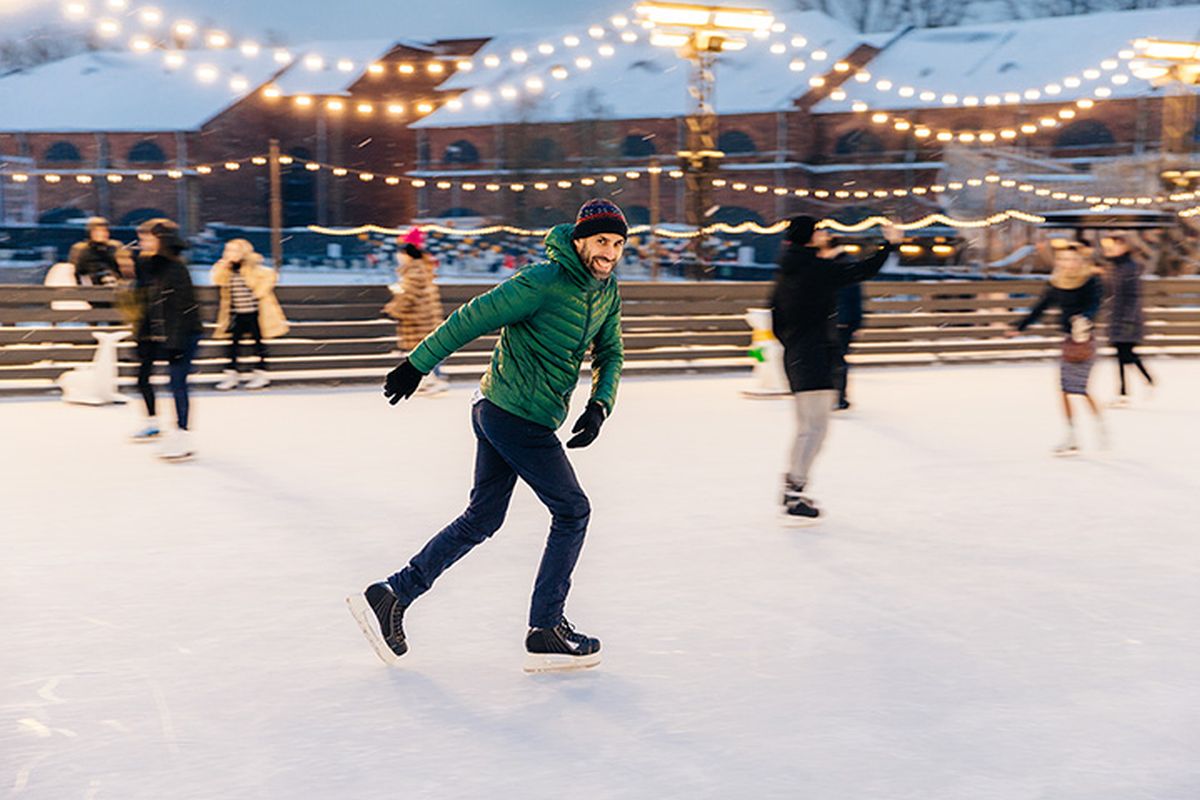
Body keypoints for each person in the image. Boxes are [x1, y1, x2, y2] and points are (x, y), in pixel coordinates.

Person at [347, 199, 626, 673]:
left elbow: (611, 351)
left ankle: (394, 594)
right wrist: (417, 364)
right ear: (579, 240)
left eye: (618, 244)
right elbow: (472, 317)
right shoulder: (542, 281)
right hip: (513, 414)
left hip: (509, 413)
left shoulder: (605, 291)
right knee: (573, 510)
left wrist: (600, 404)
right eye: (602, 241)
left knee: (483, 518)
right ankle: (545, 627)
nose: (610, 252)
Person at [769, 217, 901, 523]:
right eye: (819, 230)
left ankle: (794, 486)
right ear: (807, 236)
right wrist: (891, 244)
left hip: (798, 355)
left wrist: (794, 343)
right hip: (814, 355)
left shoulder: (787, 270)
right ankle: (794, 491)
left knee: (807, 428)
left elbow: (775, 317)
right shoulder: (815, 270)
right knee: (815, 429)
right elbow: (861, 270)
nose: (824, 233)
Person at [1007, 242, 1106, 456]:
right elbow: (1040, 307)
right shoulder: (1056, 283)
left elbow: (1095, 304)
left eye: (1072, 260)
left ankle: (1099, 426)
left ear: (1080, 261)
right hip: (1068, 341)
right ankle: (1071, 436)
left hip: (1085, 340)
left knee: (1080, 389)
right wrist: (1020, 326)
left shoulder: (1091, 280)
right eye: (1063, 260)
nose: (1068, 264)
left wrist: (1085, 319)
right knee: (1064, 390)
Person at [129, 218, 203, 461]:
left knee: (177, 384)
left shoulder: (176, 269)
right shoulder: (151, 267)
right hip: (160, 335)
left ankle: (183, 437)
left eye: (147, 238)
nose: (142, 243)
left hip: (182, 335)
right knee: (145, 378)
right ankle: (157, 425)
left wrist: (176, 345)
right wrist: (142, 337)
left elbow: (183, 309)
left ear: (161, 240)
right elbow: (146, 303)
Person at [211, 239, 289, 391]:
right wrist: (222, 266)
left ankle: (260, 373)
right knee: (232, 346)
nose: (229, 254)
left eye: (234, 251)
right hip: (236, 314)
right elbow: (217, 280)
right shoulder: (227, 269)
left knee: (258, 345)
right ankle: (231, 374)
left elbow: (269, 276)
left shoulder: (252, 267)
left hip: (255, 314)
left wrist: (258, 292)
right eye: (228, 250)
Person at [382, 228, 448, 394]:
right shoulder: (422, 267)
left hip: (418, 318)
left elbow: (409, 294)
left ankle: (433, 380)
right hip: (425, 317)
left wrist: (392, 309)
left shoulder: (414, 270)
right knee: (428, 349)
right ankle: (432, 380)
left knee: (422, 351)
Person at [1100, 235, 1154, 406]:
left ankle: (1128, 389)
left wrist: (1129, 319)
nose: (1112, 249)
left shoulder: (1130, 268)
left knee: (1125, 354)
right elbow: (1109, 291)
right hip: (1117, 317)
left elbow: (1133, 296)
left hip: (1127, 319)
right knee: (1123, 355)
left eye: (1116, 245)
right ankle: (1134, 386)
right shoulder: (1115, 267)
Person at [828, 241, 866, 411]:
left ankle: (837, 396)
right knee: (838, 358)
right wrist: (857, 322)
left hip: (837, 321)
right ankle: (839, 396)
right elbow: (856, 297)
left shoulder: (836, 266)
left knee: (834, 359)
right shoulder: (848, 265)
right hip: (844, 320)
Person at [68, 217, 129, 286]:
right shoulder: (80, 249)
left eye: (104, 231)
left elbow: (124, 270)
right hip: (89, 286)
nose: (101, 234)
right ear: (90, 233)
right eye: (97, 231)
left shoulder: (116, 247)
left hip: (114, 284)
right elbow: (76, 271)